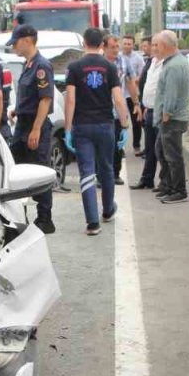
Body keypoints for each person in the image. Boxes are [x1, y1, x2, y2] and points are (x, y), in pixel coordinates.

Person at [64, 28, 131, 235]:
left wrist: (68, 129)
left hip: (82, 126)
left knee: (87, 172)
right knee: (107, 169)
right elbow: (119, 100)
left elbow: (71, 100)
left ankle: (92, 222)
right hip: (105, 125)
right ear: (102, 44)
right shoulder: (109, 67)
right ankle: (108, 210)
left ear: (84, 42)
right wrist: (125, 125)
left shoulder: (74, 68)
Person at [8, 24, 56, 234]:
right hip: (23, 123)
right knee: (17, 170)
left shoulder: (41, 66)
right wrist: (18, 111)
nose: (14, 47)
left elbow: (45, 99)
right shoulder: (28, 64)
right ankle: (19, 215)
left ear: (27, 40)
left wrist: (36, 129)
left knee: (39, 171)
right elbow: (30, 97)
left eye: (16, 43)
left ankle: (45, 219)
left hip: (35, 126)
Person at [152, 30, 189, 203]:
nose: (155, 49)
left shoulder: (175, 65)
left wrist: (166, 113)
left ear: (166, 46)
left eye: (157, 45)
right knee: (161, 150)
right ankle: (167, 184)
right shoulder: (173, 62)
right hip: (170, 117)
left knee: (173, 155)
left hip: (172, 118)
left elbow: (171, 93)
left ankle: (179, 190)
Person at [131, 43, 167, 192]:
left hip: (161, 112)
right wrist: (143, 105)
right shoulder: (151, 62)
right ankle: (147, 179)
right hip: (149, 110)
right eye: (153, 45)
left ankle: (165, 182)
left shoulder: (167, 63)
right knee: (150, 149)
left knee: (162, 150)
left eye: (157, 45)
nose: (154, 48)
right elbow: (145, 84)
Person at [104, 35, 131, 185]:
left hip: (118, 112)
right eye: (112, 47)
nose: (115, 50)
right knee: (102, 147)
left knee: (117, 146)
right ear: (104, 47)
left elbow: (131, 81)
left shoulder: (123, 61)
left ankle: (115, 174)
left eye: (117, 47)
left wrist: (136, 103)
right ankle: (101, 175)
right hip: (102, 112)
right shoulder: (99, 63)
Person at [121, 35, 147, 153]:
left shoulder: (138, 58)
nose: (127, 46)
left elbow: (142, 75)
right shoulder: (117, 57)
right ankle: (119, 147)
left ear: (133, 45)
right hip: (119, 95)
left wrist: (132, 80)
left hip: (133, 94)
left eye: (129, 44)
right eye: (125, 43)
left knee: (136, 121)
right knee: (119, 120)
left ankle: (136, 146)